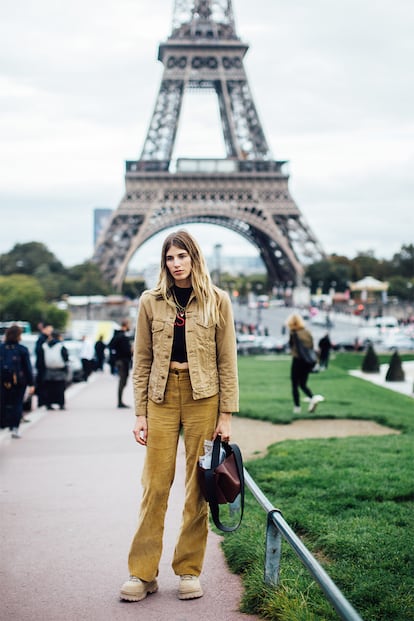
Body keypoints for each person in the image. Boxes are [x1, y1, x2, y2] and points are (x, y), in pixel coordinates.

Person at [120, 230, 239, 603]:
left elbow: (227, 361)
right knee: (154, 486)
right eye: (170, 258)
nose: (176, 264)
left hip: (204, 396)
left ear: (194, 259)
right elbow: (141, 360)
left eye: (181, 257)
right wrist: (139, 412)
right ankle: (142, 573)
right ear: (164, 262)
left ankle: (189, 570)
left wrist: (226, 415)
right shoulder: (149, 302)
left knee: (197, 487)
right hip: (161, 396)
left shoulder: (217, 301)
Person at [0, 324, 35, 438]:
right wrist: (31, 383)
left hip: (2, 381)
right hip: (19, 382)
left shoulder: (1, 348)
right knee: (17, 404)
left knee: (3, 403)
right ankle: (14, 427)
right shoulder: (22, 350)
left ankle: (3, 424)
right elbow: (28, 368)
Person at [287, 313, 324, 414]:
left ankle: (297, 407)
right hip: (308, 362)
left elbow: (291, 347)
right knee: (302, 384)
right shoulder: (307, 332)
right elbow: (311, 347)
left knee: (294, 384)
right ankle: (312, 398)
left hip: (298, 360)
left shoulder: (293, 333)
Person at [41, 331, 69, 410]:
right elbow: (66, 357)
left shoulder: (45, 345)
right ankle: (61, 404)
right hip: (59, 370)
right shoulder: (60, 346)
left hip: (48, 370)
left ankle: (48, 404)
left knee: (49, 388)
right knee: (60, 388)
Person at [108, 320, 132, 408]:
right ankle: (120, 402)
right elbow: (125, 350)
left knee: (123, 381)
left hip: (121, 361)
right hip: (122, 361)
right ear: (125, 325)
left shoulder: (117, 335)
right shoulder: (122, 336)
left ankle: (120, 401)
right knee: (122, 381)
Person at [35, 322, 53, 407]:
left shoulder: (44, 338)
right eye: (49, 330)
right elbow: (39, 352)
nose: (50, 332)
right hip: (42, 366)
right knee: (43, 384)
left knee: (44, 384)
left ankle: (43, 401)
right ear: (44, 329)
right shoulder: (42, 339)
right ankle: (42, 402)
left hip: (43, 365)